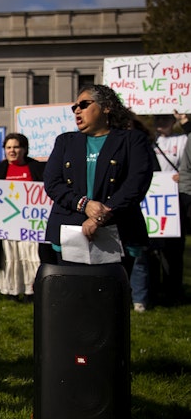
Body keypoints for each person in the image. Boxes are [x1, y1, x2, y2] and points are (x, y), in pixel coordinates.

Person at [43, 85, 154, 276]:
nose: (77, 110)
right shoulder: (65, 141)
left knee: (111, 297)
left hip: (119, 228)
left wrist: (101, 216)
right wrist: (84, 205)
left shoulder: (133, 140)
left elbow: (137, 182)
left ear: (107, 107)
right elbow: (52, 183)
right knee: (74, 295)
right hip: (71, 229)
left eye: (84, 104)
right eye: (75, 107)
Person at [0, 133, 45, 300]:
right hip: (7, 230)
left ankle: (32, 291)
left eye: (16, 147)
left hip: (31, 229)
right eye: (8, 147)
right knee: (10, 258)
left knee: (32, 257)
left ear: (25, 149)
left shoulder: (39, 169)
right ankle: (11, 291)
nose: (12, 151)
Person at [134, 114, 187, 309]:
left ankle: (173, 290)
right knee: (149, 249)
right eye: (158, 119)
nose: (161, 123)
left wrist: (185, 122)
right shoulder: (147, 140)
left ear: (173, 122)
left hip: (173, 200)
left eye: (166, 119)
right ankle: (153, 289)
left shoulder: (182, 140)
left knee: (172, 250)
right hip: (152, 201)